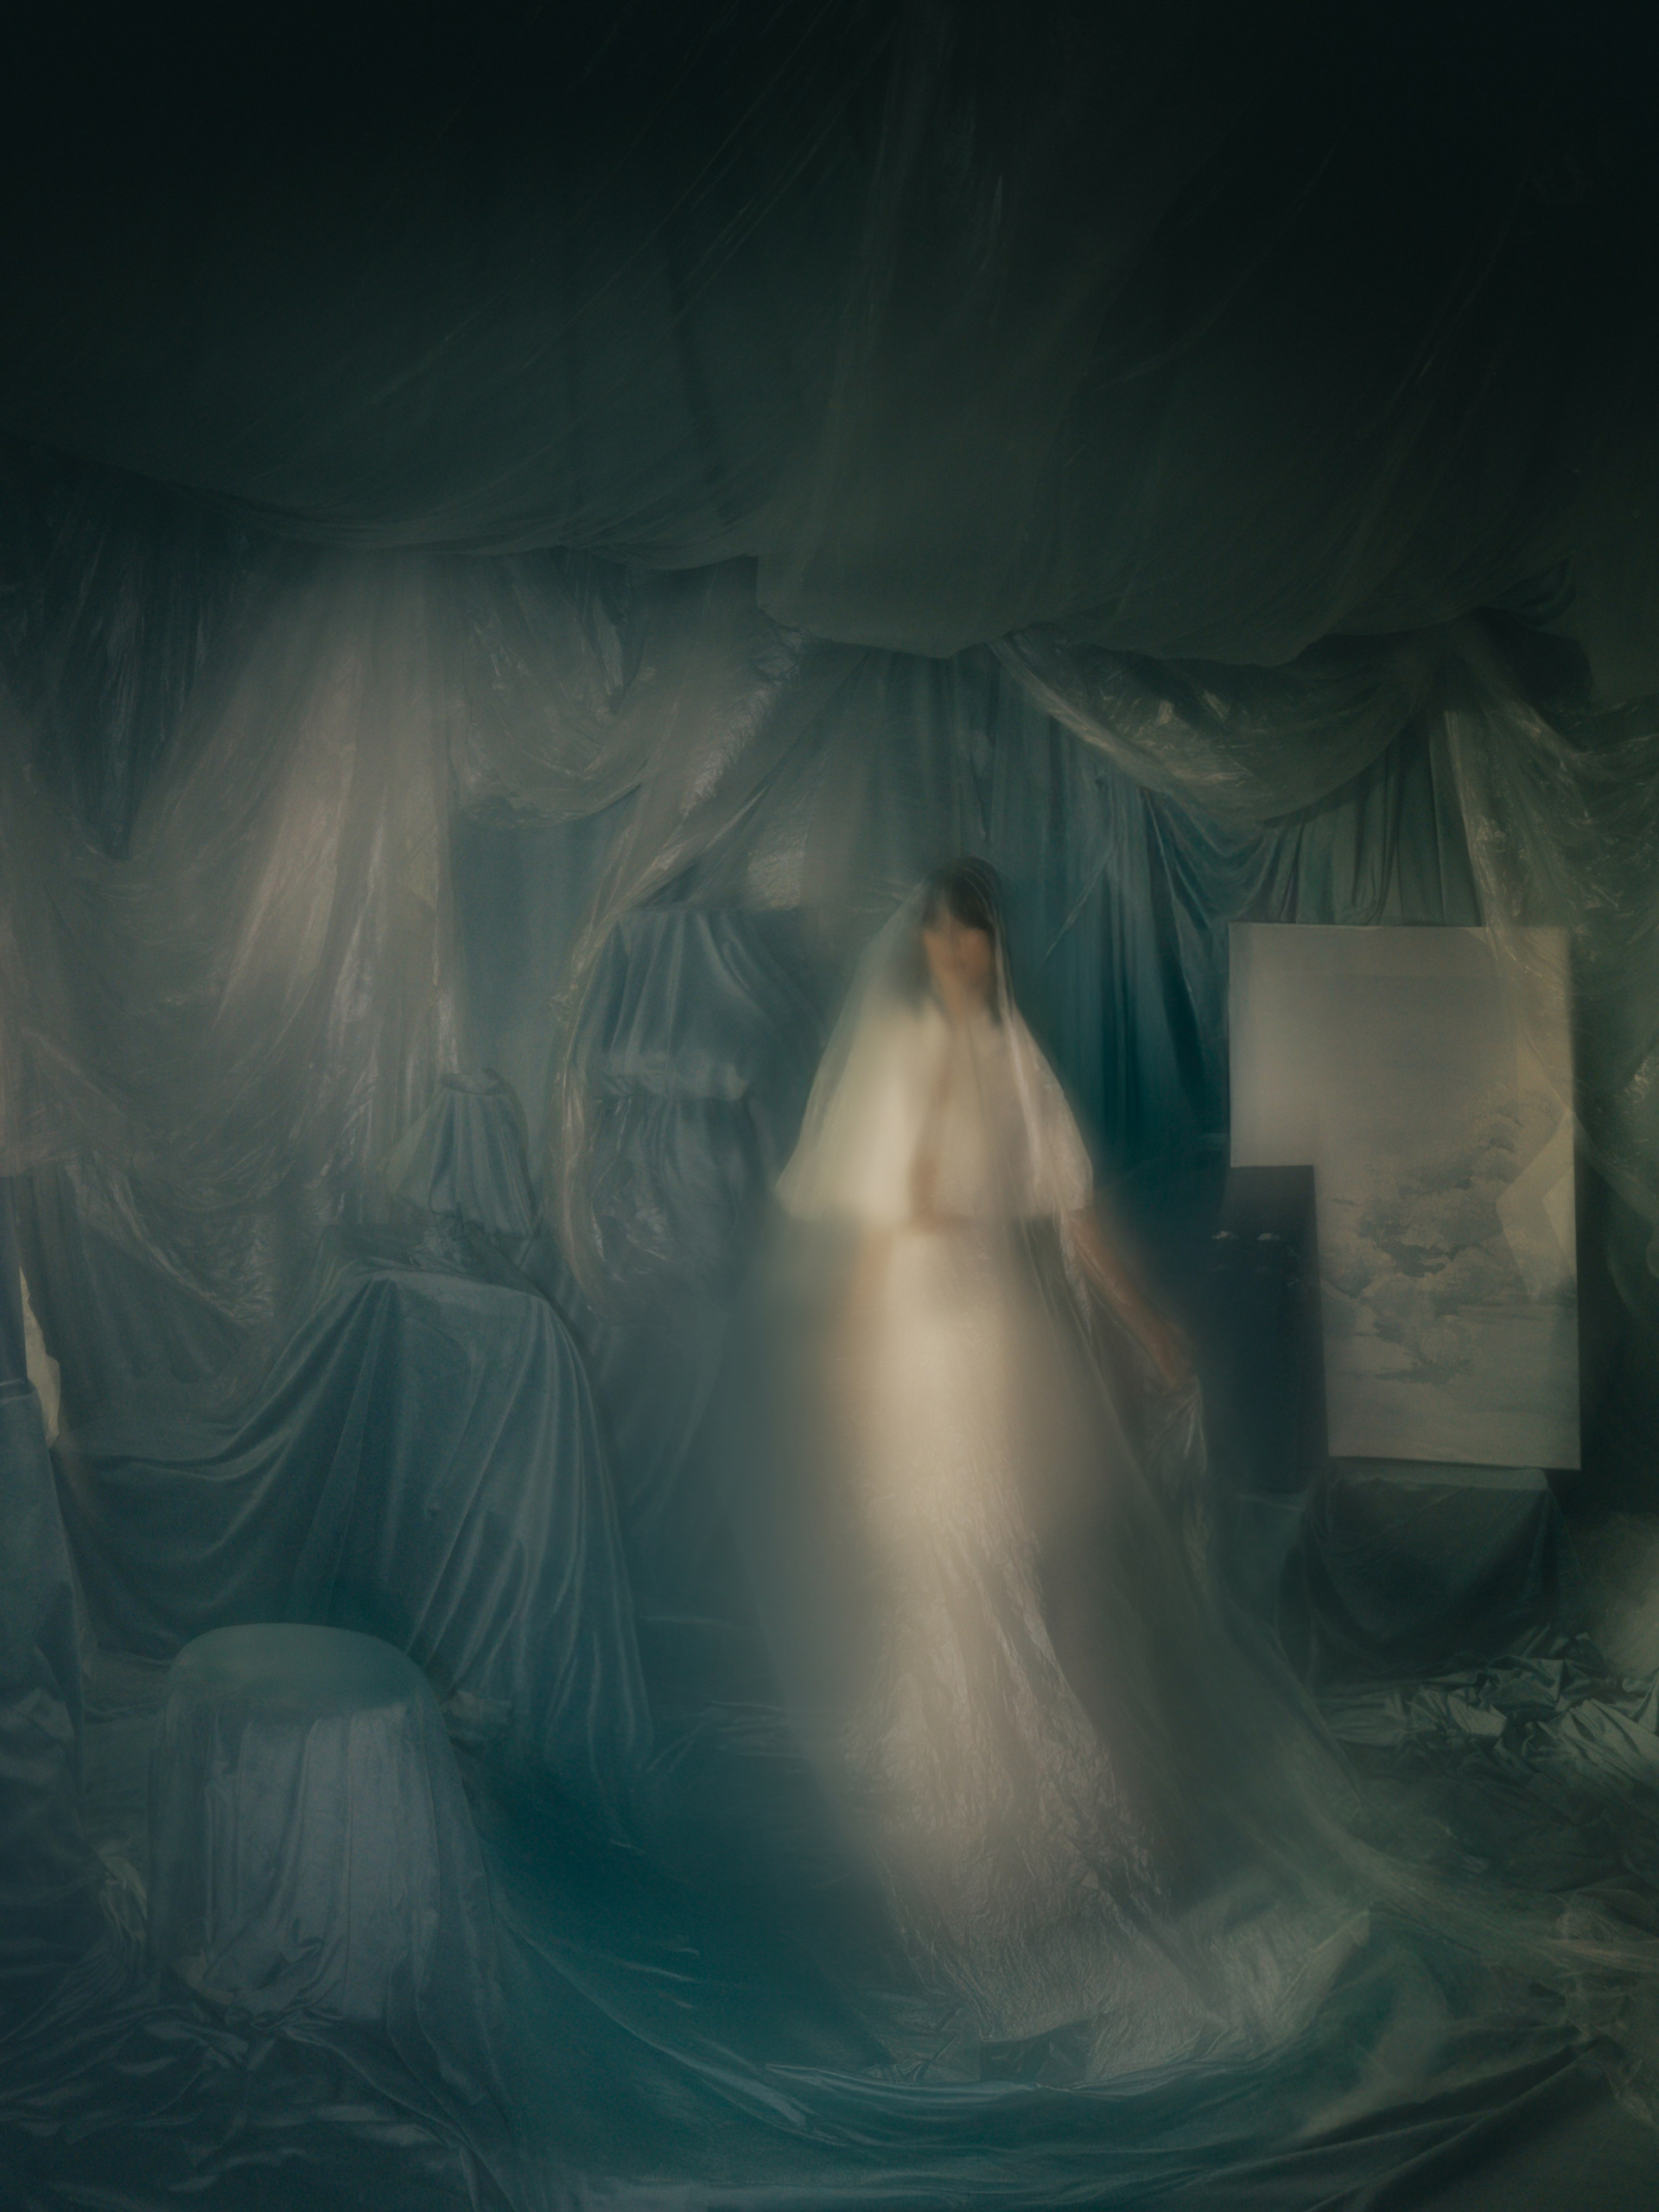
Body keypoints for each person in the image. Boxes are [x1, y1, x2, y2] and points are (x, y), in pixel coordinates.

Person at [768, 860, 1361, 2058]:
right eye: (944, 940)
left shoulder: (1012, 1055)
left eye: (976, 939)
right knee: (927, 1567)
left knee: (1004, 1560)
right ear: (921, 947)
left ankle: (1033, 1832)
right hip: (906, 1343)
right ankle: (947, 1838)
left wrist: (1146, 1325)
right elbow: (878, 1230)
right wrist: (844, 1356)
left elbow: (1075, 1212)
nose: (960, 957)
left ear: (994, 947)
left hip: (990, 1343)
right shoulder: (897, 1058)